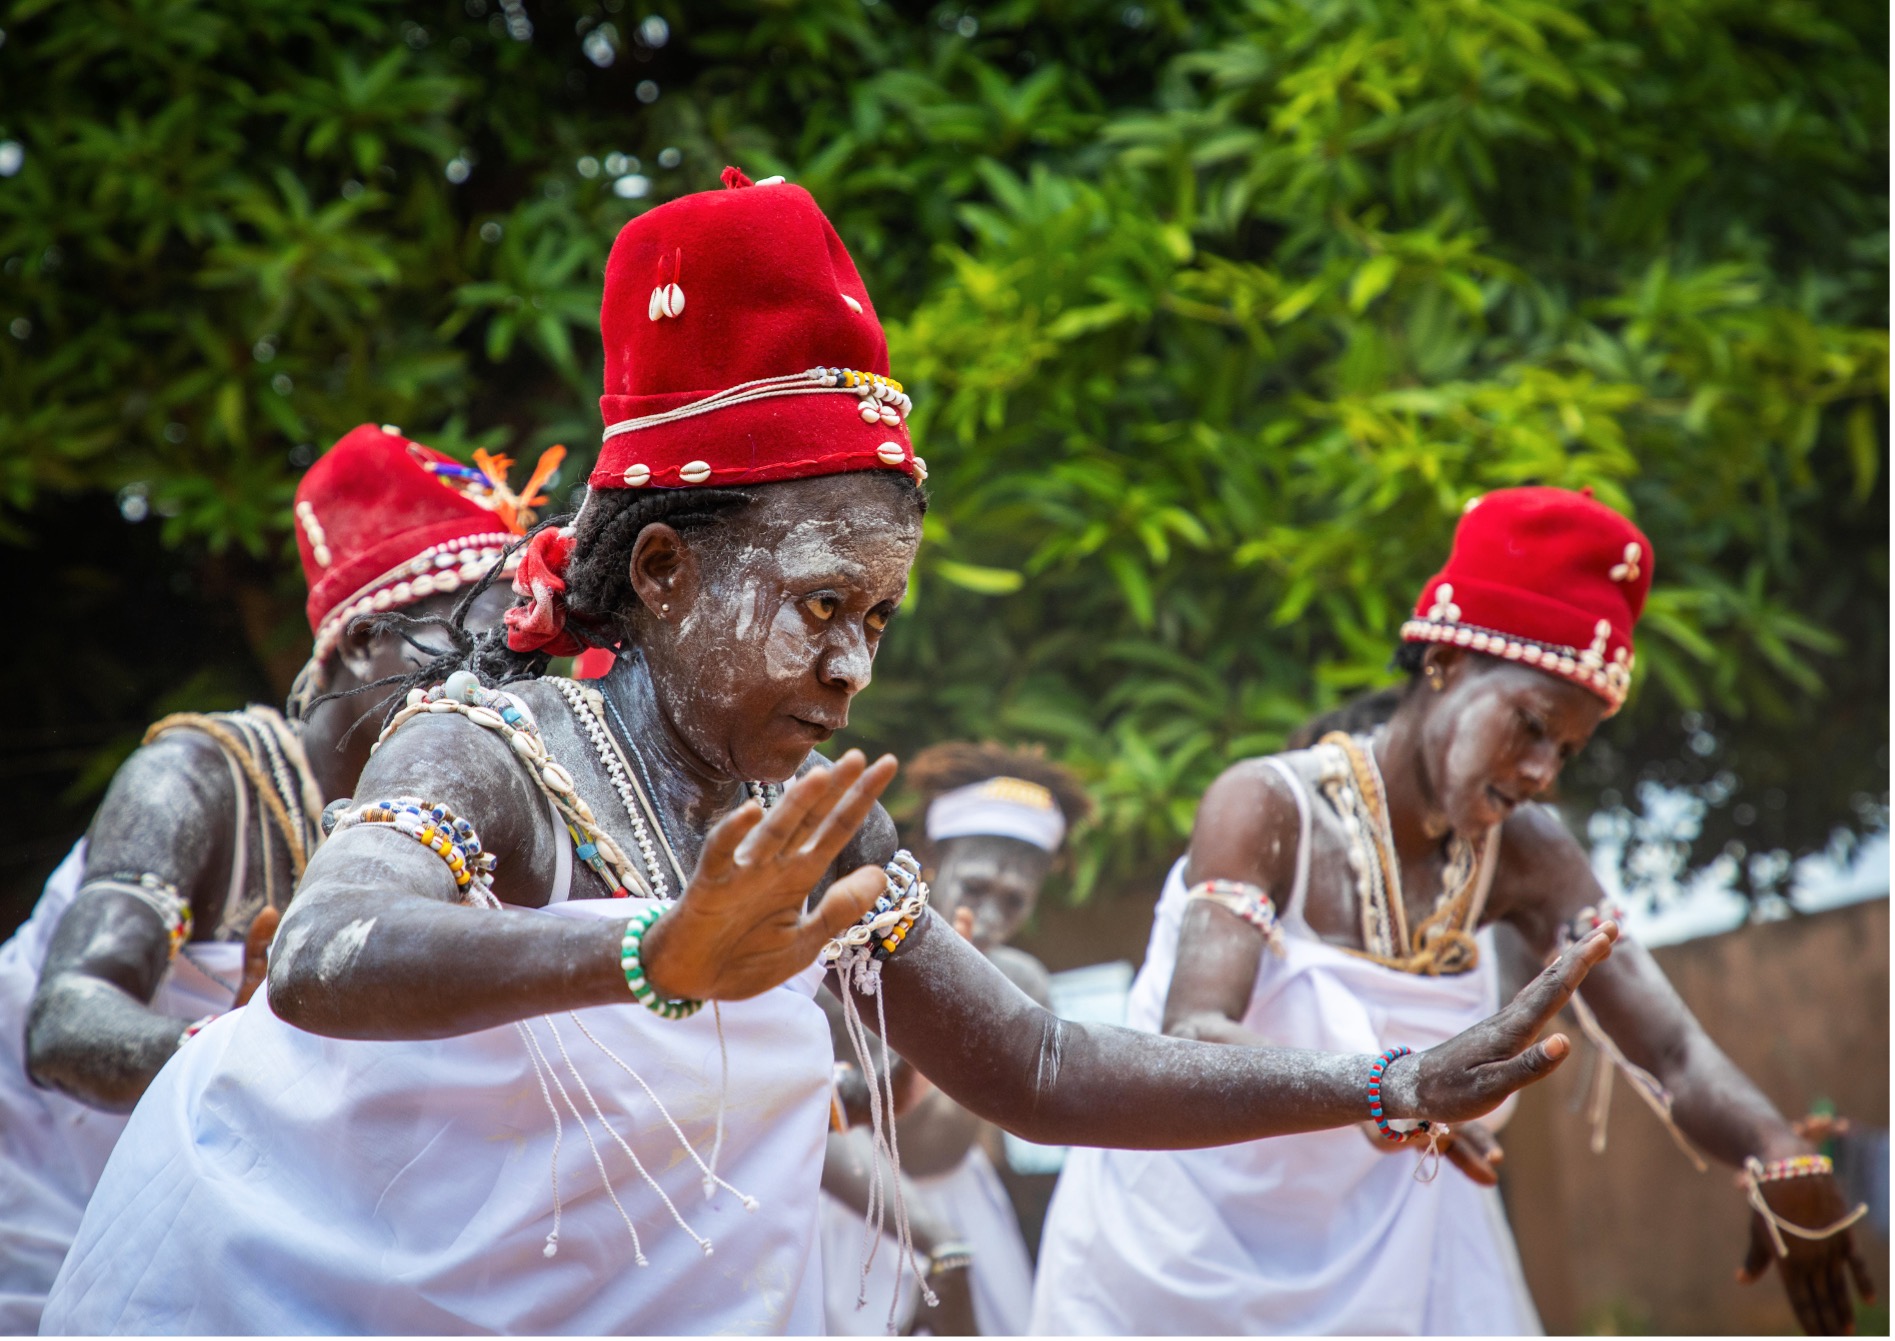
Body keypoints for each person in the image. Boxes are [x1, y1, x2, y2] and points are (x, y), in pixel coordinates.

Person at [43, 172, 1617, 1337]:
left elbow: (1045, 1067)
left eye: (876, 617)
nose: (854, 665)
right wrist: (660, 952)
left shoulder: (814, 825)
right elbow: (323, 953)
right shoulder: (495, 751)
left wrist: (1382, 1077)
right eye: (816, 607)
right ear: (660, 572)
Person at [1029, 486, 1874, 1337]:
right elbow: (1194, 1033)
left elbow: (1671, 1049)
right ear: (1444, 664)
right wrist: (1395, 1087)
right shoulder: (1265, 806)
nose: (1544, 770)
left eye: (1567, 750)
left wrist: (1779, 1150)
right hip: (1177, 1261)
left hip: (1404, 1261)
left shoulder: (1529, 854)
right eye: (1531, 726)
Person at [0, 423, 524, 1333]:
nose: (495, 695)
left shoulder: (477, 808)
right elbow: (64, 1020)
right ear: (362, 641)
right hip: (48, 1227)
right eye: (466, 655)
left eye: (515, 665)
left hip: (263, 1229)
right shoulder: (200, 780)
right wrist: (241, 1053)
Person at [821, 744, 1090, 1335]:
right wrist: (946, 994)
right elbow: (842, 1132)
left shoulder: (1023, 981)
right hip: (857, 1218)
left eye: (1013, 900)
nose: (990, 915)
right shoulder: (848, 965)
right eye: (976, 887)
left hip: (968, 1214)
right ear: (934, 861)